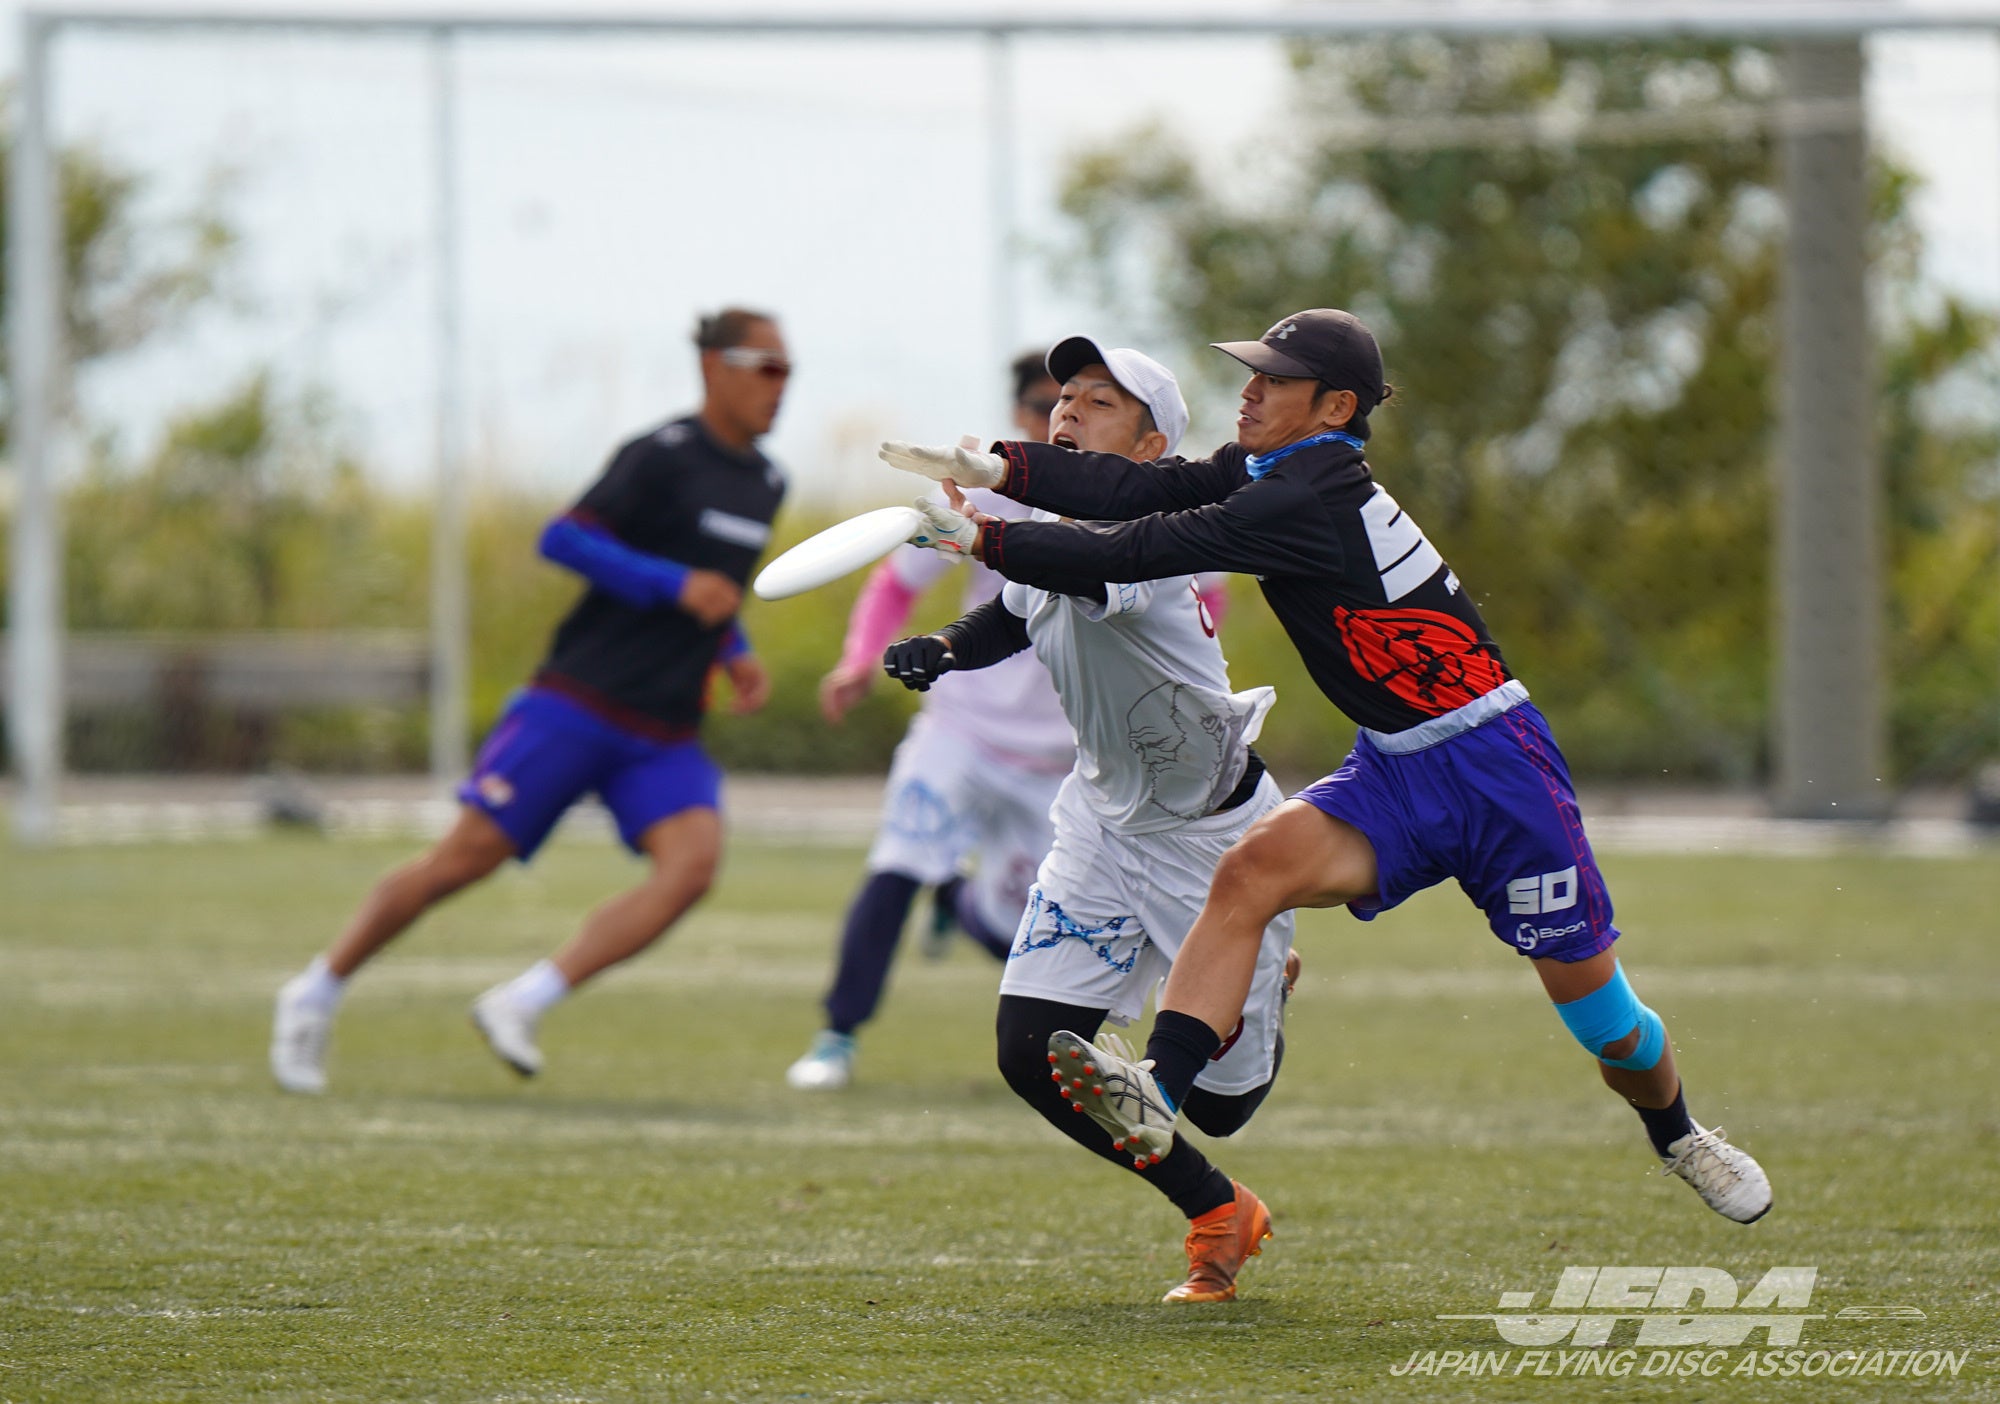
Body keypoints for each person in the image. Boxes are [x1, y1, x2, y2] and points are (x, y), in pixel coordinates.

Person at [879, 307, 1773, 1297]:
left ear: (1335, 407)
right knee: (1249, 874)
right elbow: (1140, 487)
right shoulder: (1267, 469)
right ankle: (1156, 1088)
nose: (1248, 391)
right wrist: (997, 468)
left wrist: (981, 537)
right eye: (1250, 373)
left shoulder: (1305, 496)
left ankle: (1678, 1133)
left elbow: (1136, 544)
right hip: (1394, 765)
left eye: (1272, 379)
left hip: (1496, 769)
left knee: (1608, 1027)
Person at [270, 307, 789, 1093]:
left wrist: (736, 650)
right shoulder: (660, 455)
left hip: (664, 729)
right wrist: (669, 584)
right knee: (462, 860)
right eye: (768, 368)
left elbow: (715, 587)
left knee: (692, 868)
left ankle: (522, 1001)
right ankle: (316, 989)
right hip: (580, 702)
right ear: (716, 368)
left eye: (789, 372)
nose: (782, 387)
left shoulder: (769, 483)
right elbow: (565, 538)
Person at [881, 336, 1301, 1305]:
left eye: (1099, 402)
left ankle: (1267, 987)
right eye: (1064, 396)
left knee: (1225, 1105)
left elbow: (1076, 570)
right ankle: (1215, 1210)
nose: (1066, 410)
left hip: (1211, 840)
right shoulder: (1050, 527)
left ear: (1153, 449)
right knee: (1030, 1047)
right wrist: (948, 644)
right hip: (1102, 822)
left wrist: (971, 537)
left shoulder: (1156, 534)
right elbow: (1019, 608)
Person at [785, 352, 1076, 1092]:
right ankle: (836, 1037)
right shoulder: (982, 494)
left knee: (1024, 932)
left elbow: (1202, 604)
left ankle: (957, 900)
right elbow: (895, 580)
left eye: (1075, 405)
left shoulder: (1136, 505)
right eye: (1043, 404)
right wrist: (859, 660)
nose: (1057, 421)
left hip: (1060, 760)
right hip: (963, 731)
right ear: (1017, 413)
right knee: (898, 864)